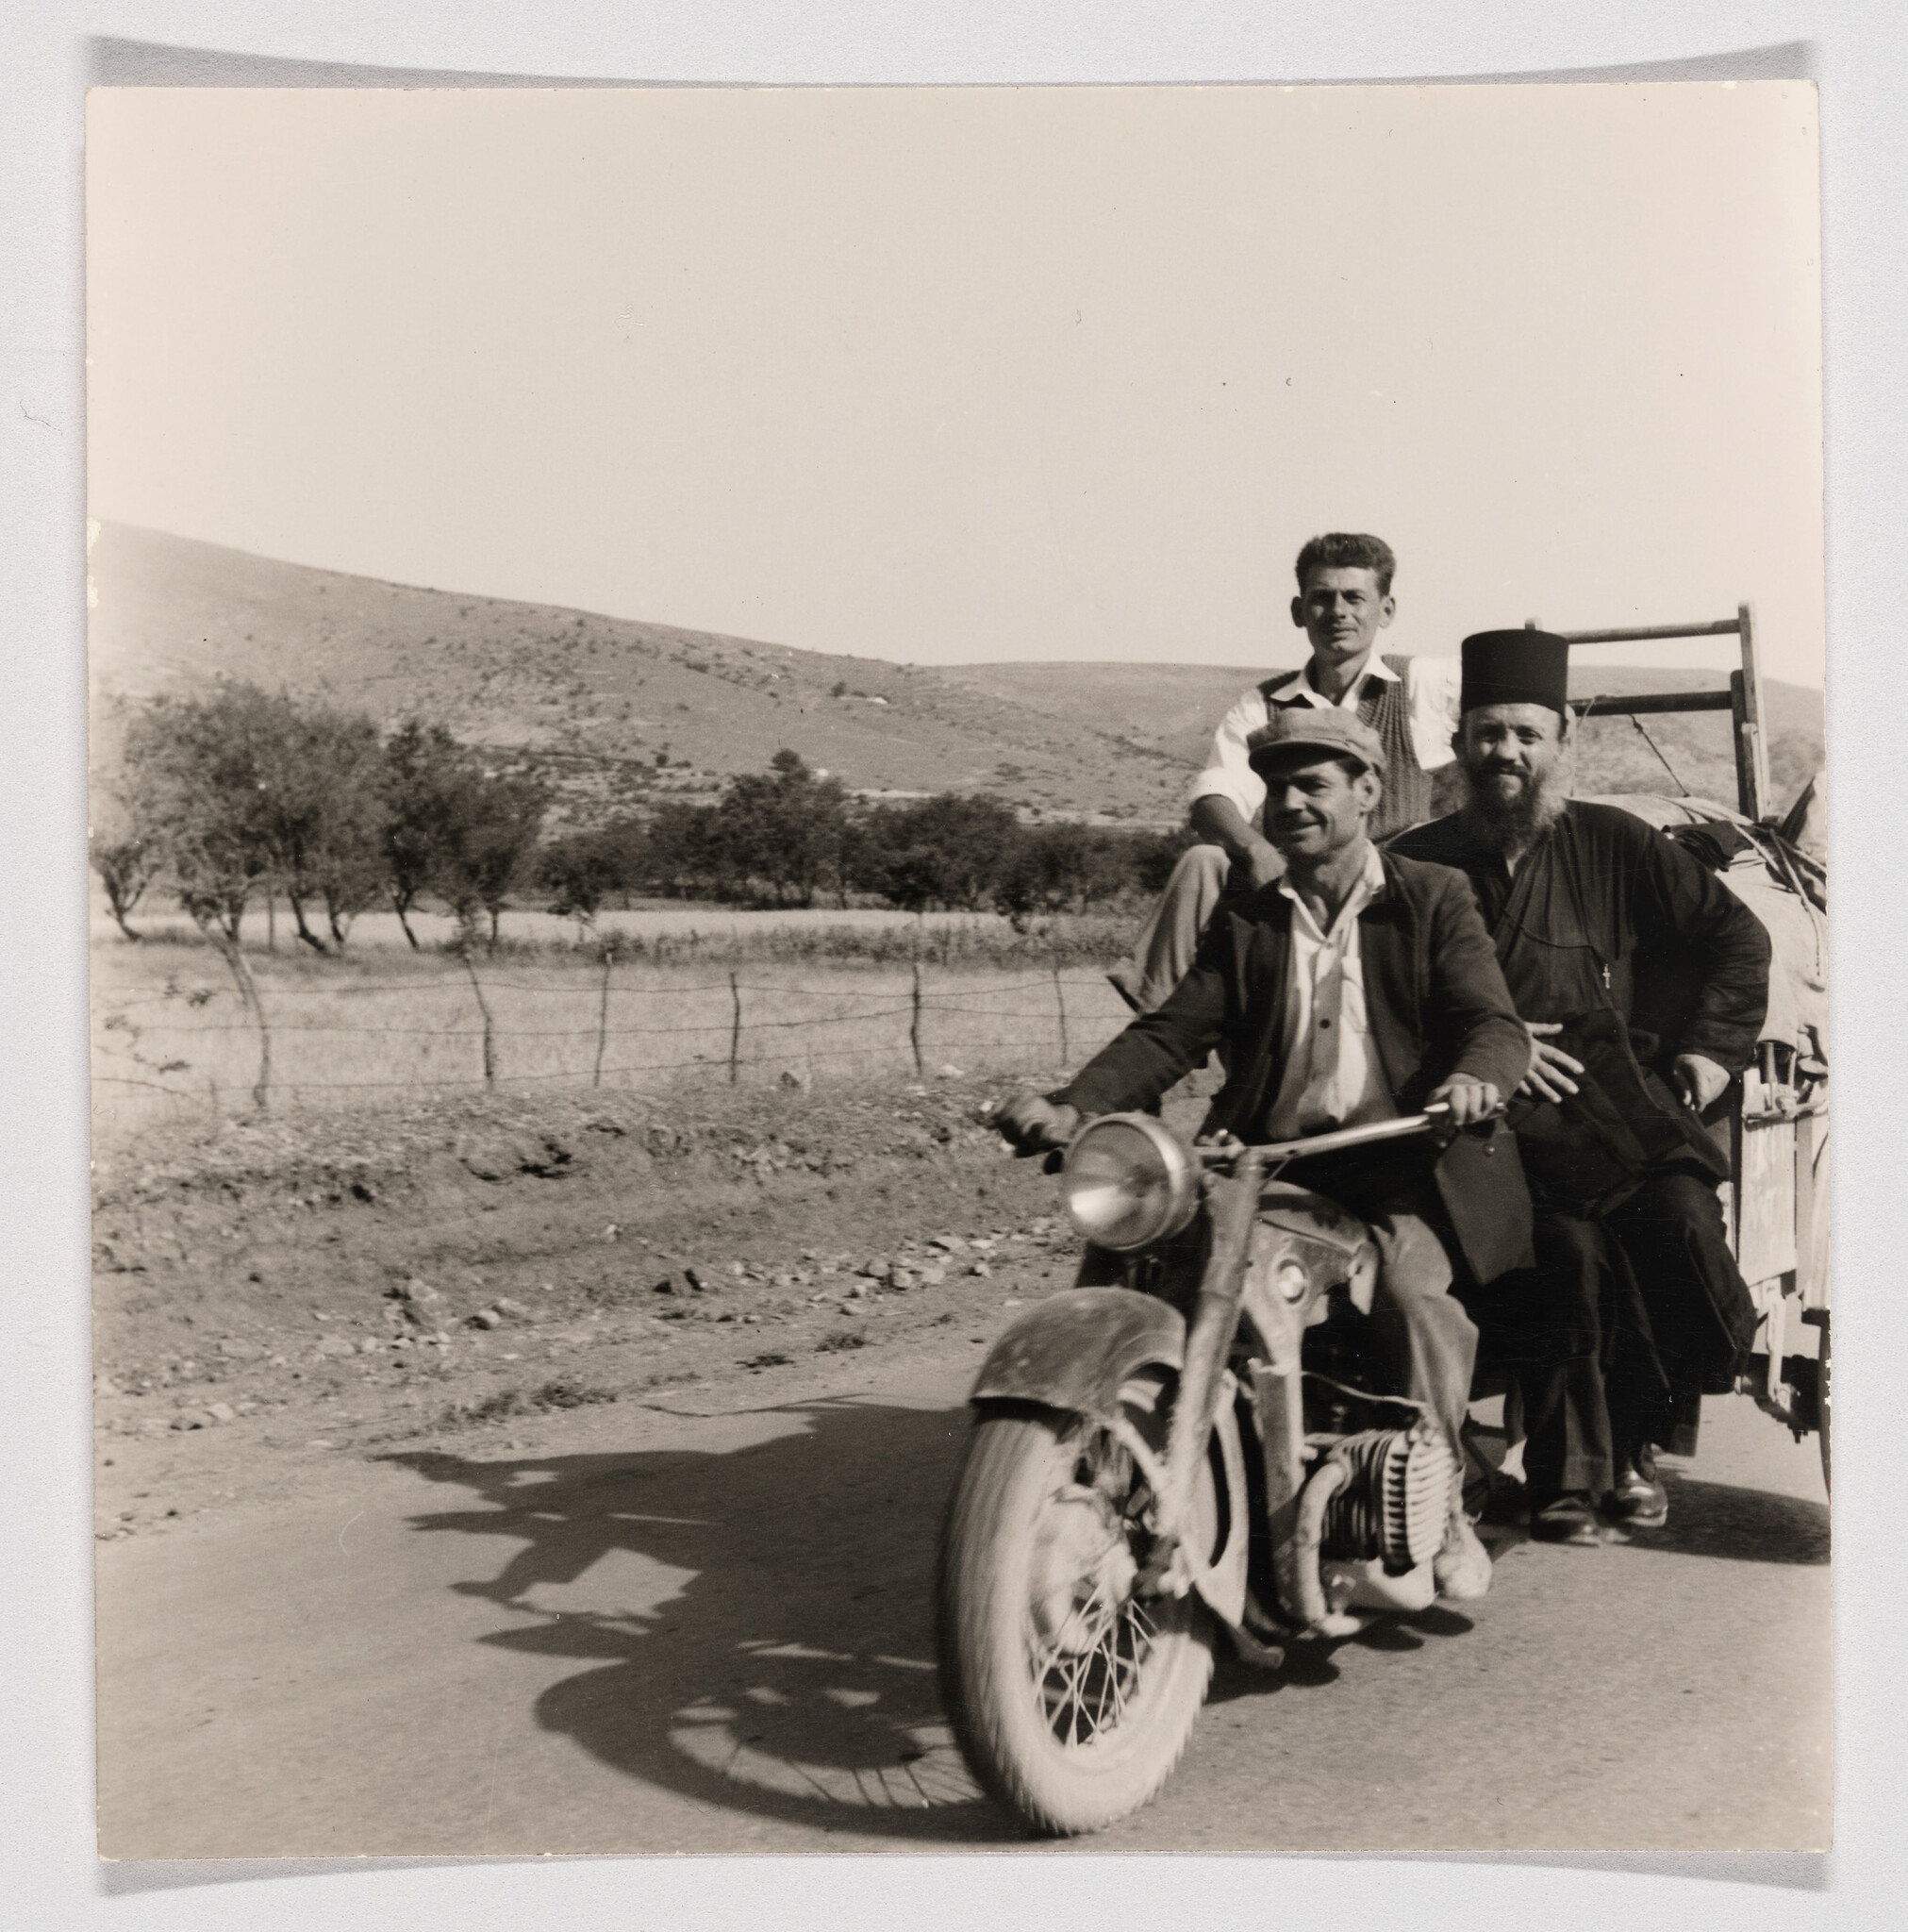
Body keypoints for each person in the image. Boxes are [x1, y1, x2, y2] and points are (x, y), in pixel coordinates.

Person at [1000, 706, 1535, 1602]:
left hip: (1397, 1162)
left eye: (1311, 784)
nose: (1288, 804)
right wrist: (1072, 1105)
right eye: (1276, 787)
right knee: (1144, 1253)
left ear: (1366, 792)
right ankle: (1090, 1454)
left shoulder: (1431, 896)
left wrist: (1476, 1077)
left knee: (1412, 1299)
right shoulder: (1249, 915)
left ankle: (1443, 1505)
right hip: (1269, 1164)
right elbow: (1171, 1032)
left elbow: (1492, 1020)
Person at [1390, 631, 1772, 1544]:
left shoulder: (1612, 842)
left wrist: (1708, 1054)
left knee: (1679, 1221)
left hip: (1613, 1108)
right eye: (1488, 733)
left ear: (1560, 738)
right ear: (1459, 743)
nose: (1506, 753)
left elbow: (1737, 938)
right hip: (1490, 1121)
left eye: (1526, 734)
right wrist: (1494, 1048)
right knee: (1566, 1251)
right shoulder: (1419, 861)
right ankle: (1569, 1474)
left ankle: (1637, 1441)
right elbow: (1390, 1000)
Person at [1108, 532, 1461, 1012]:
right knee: (1203, 863)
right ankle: (1159, 1026)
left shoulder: (1421, 683)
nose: (1338, 612)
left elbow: (1512, 696)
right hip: (1296, 875)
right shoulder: (1263, 703)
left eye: (1354, 598)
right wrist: (1255, 850)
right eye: (1322, 598)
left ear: (1386, 610)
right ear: (1299, 611)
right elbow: (1213, 798)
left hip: (1391, 878)